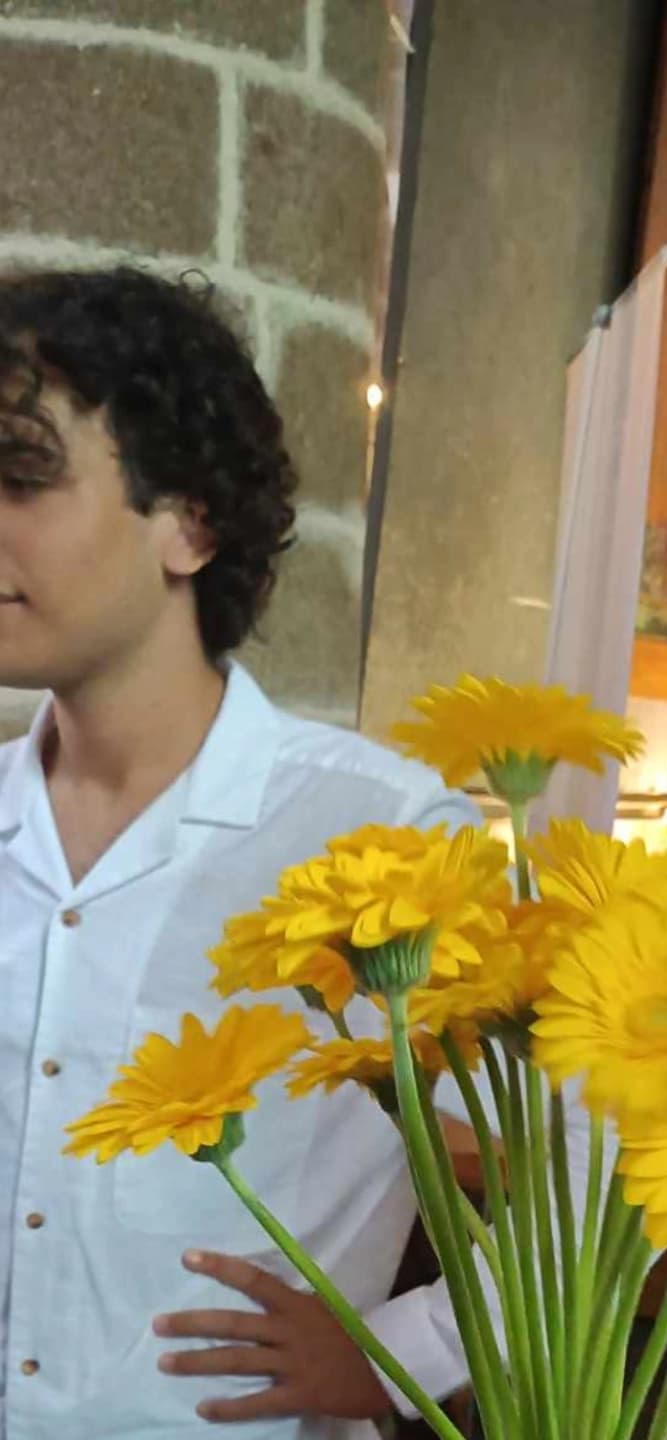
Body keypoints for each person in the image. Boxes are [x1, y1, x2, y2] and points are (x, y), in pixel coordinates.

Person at [0, 267, 580, 1438]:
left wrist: (404, 1355)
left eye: (21, 475)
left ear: (189, 523)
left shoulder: (382, 840)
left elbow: (598, 1155)